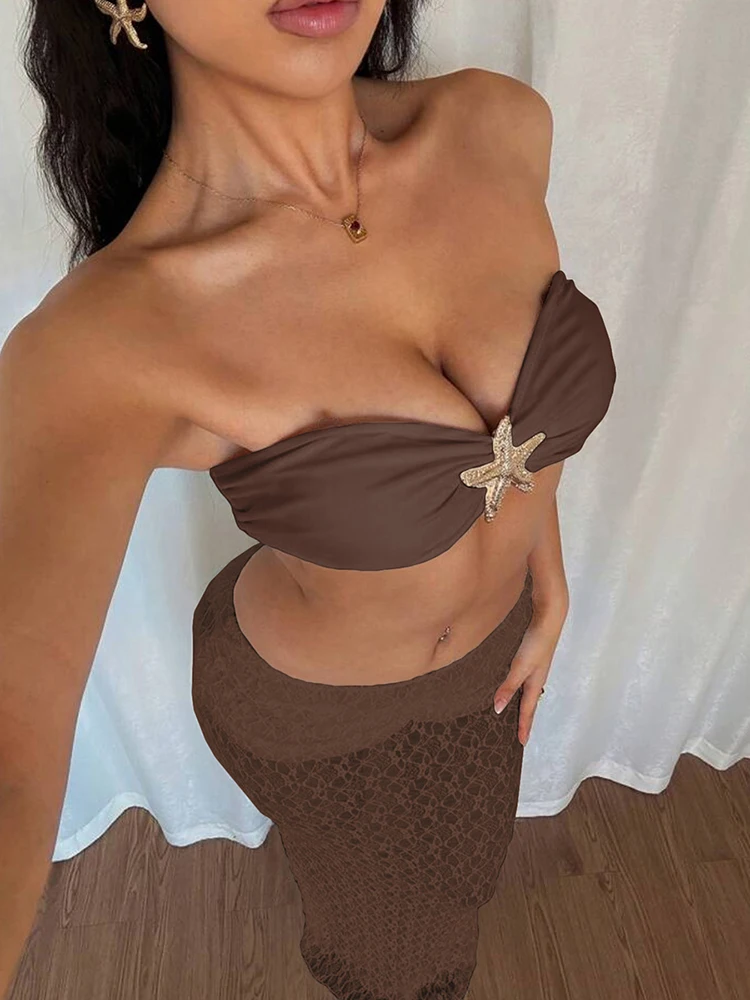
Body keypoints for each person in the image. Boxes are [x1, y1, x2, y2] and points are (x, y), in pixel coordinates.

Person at [0, 0, 616, 997]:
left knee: (464, 880)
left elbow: (523, 439)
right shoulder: (102, 344)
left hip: (494, 658)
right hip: (318, 715)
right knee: (393, 955)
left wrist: (549, 582)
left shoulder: (499, 124)